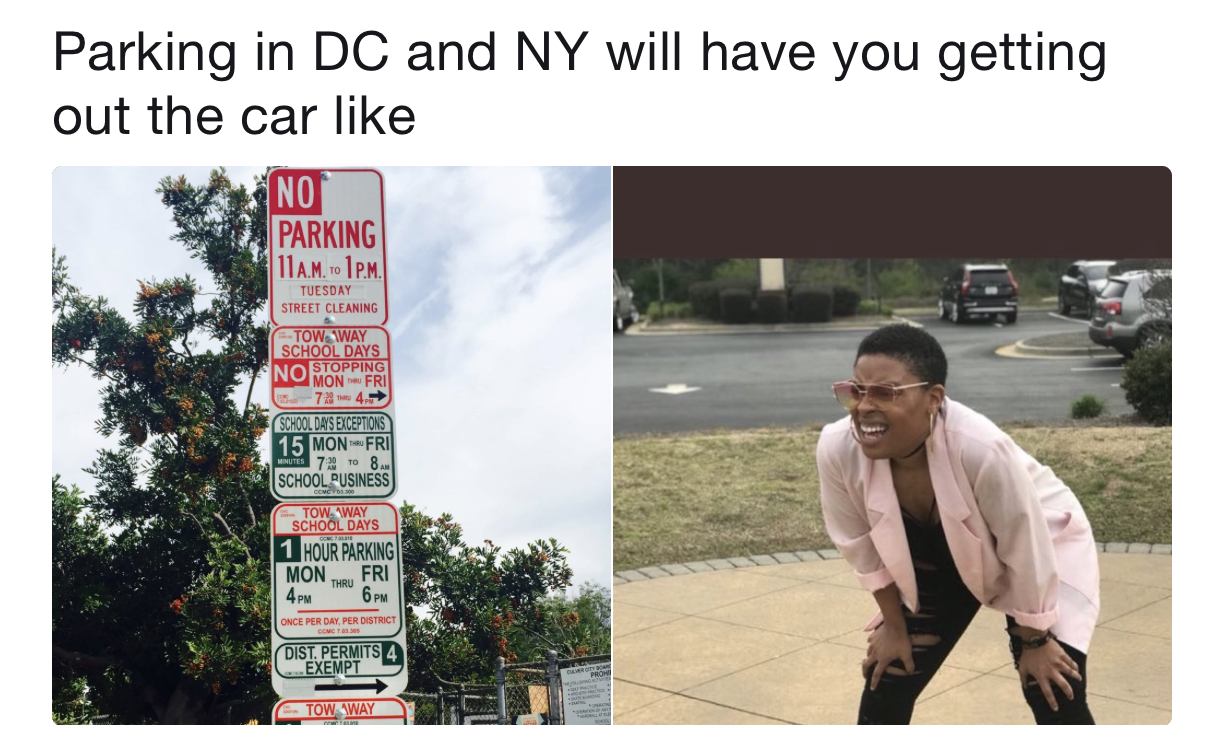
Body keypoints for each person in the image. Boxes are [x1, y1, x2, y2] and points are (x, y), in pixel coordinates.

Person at [816, 324, 1100, 724]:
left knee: (1052, 689)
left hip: (1041, 549)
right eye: (856, 390)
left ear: (933, 398)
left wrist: (1034, 638)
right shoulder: (837, 447)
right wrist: (895, 625)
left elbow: (1024, 546)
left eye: (885, 392)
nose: (863, 407)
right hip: (943, 556)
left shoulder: (981, 448)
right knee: (888, 680)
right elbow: (859, 544)